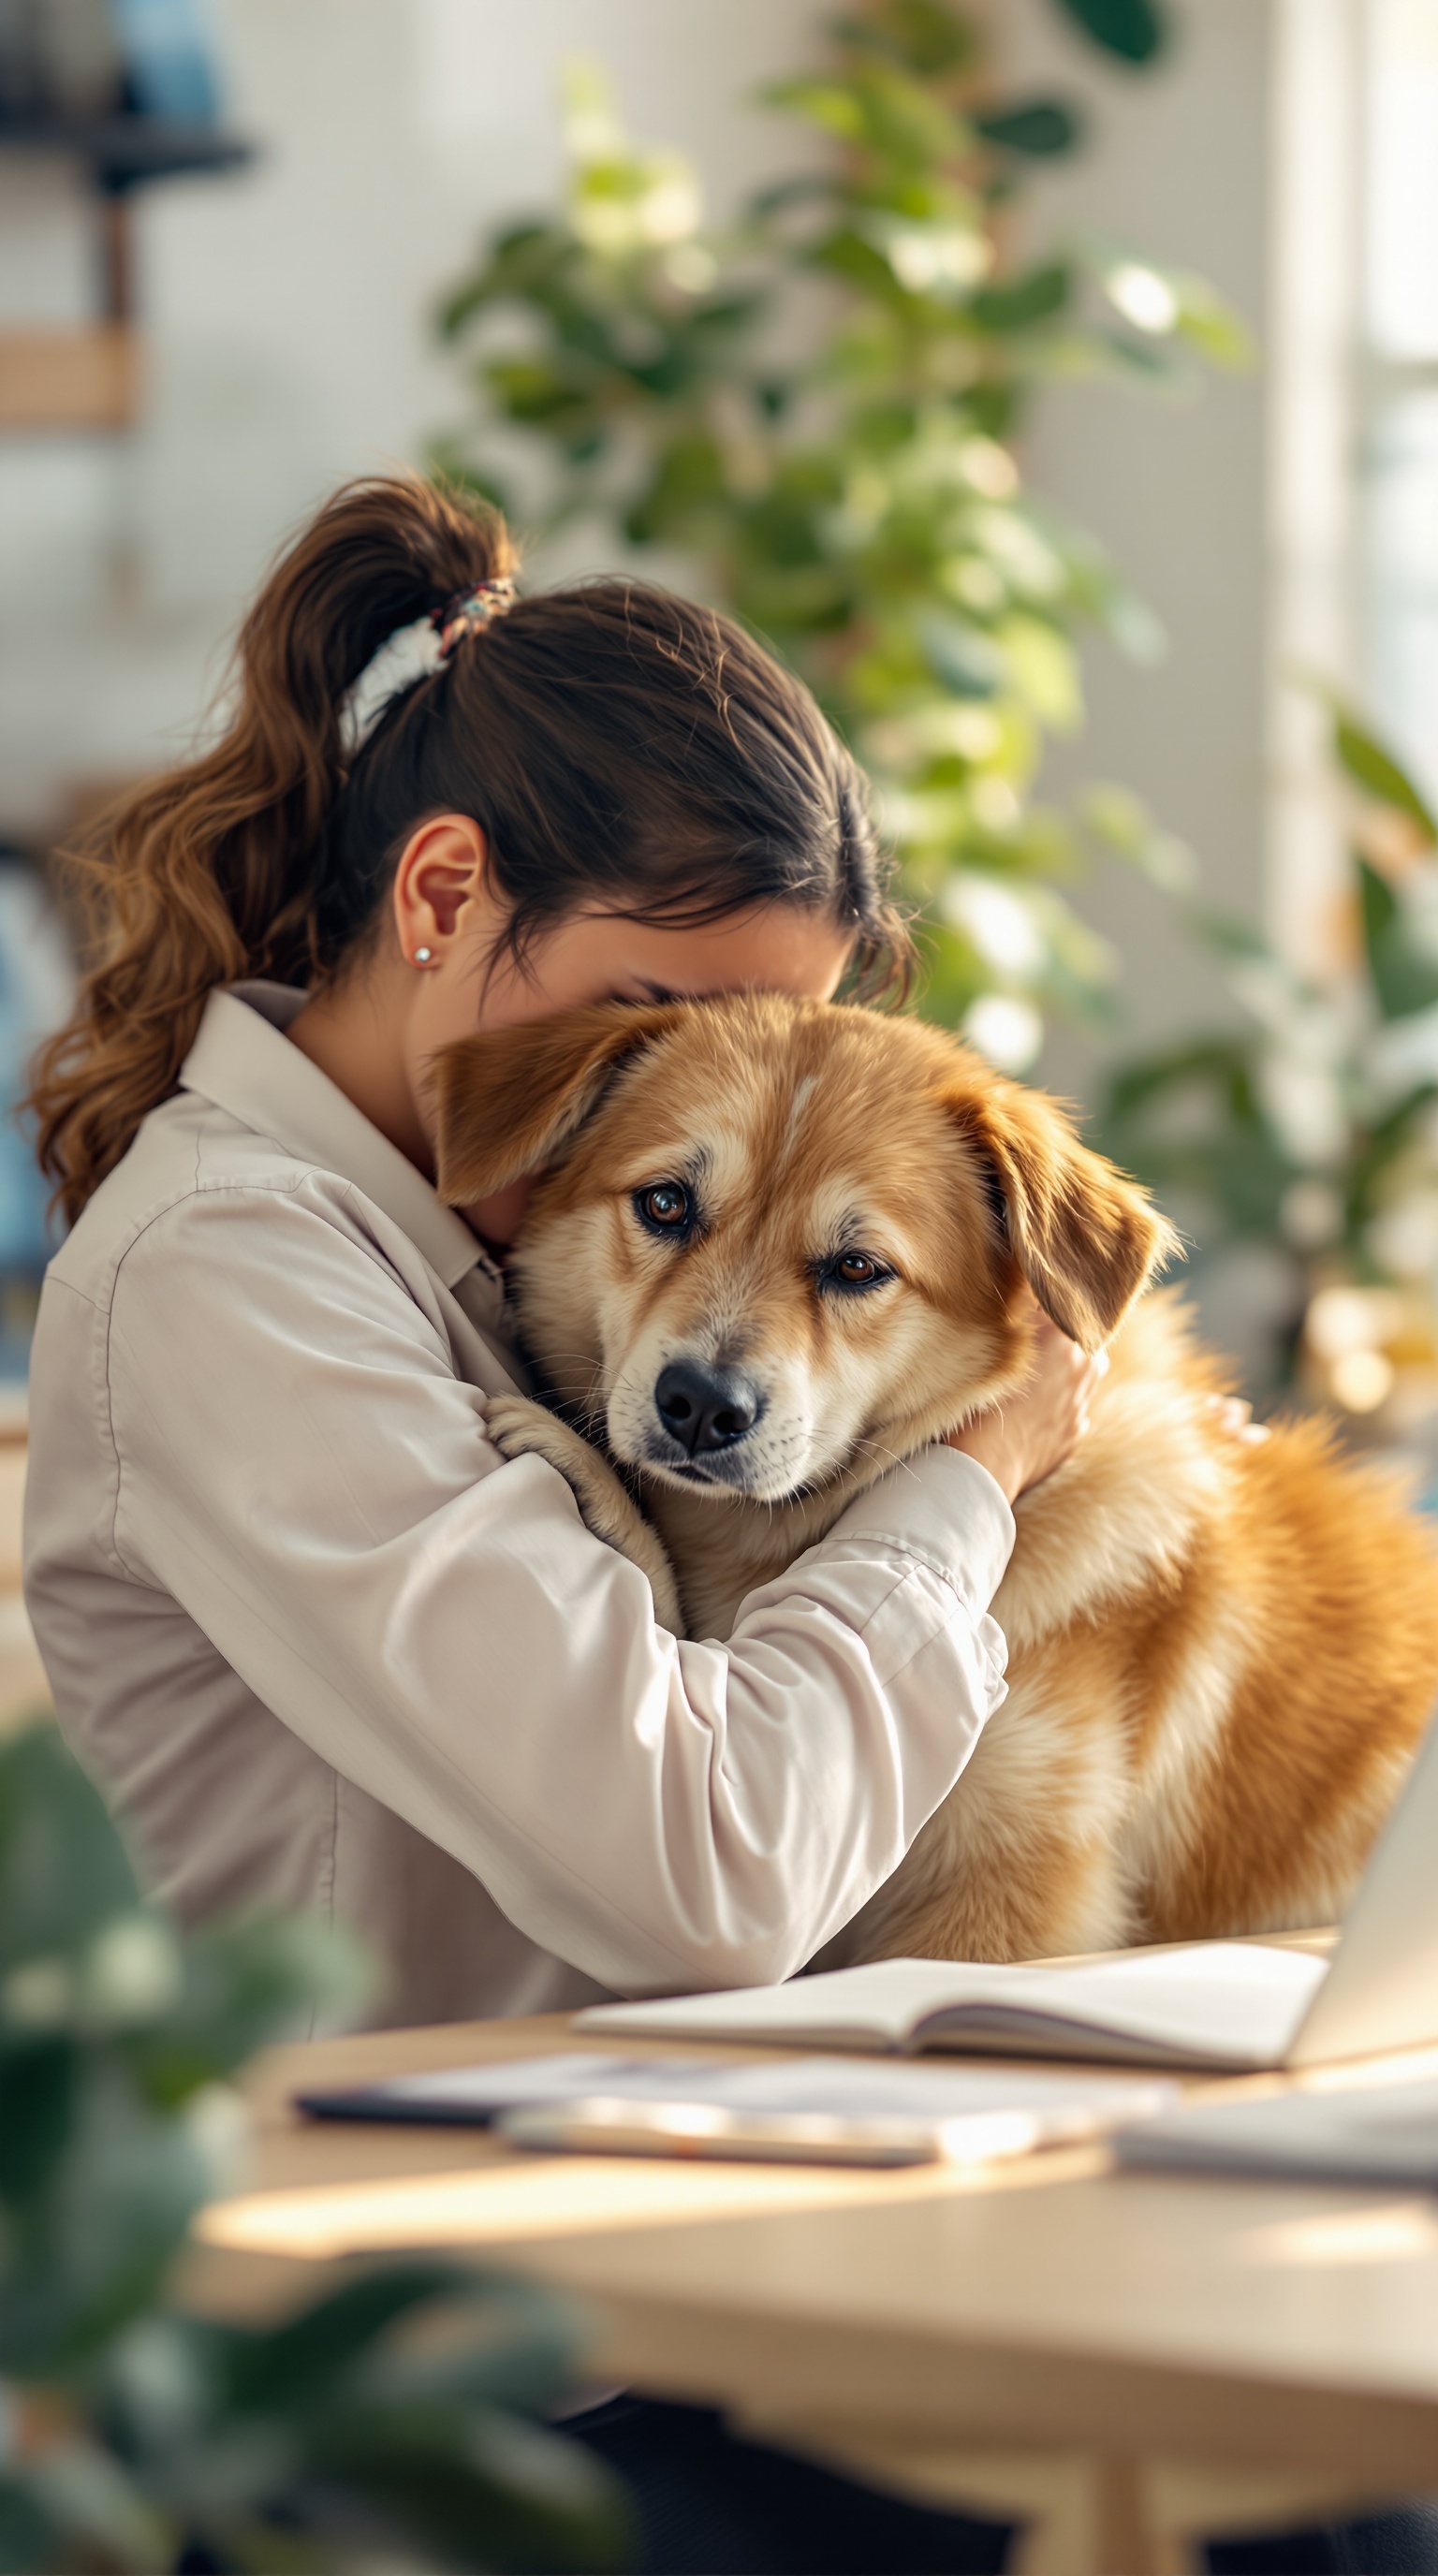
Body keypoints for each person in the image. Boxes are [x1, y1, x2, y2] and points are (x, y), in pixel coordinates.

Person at [24, 476, 1421, 2576]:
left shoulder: (468, 1247)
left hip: (625, 2244)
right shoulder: (239, 1272)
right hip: (379, 2359)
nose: (676, 1080)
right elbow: (706, 1864)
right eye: (659, 1018)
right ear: (439, 894)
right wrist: (967, 1478)